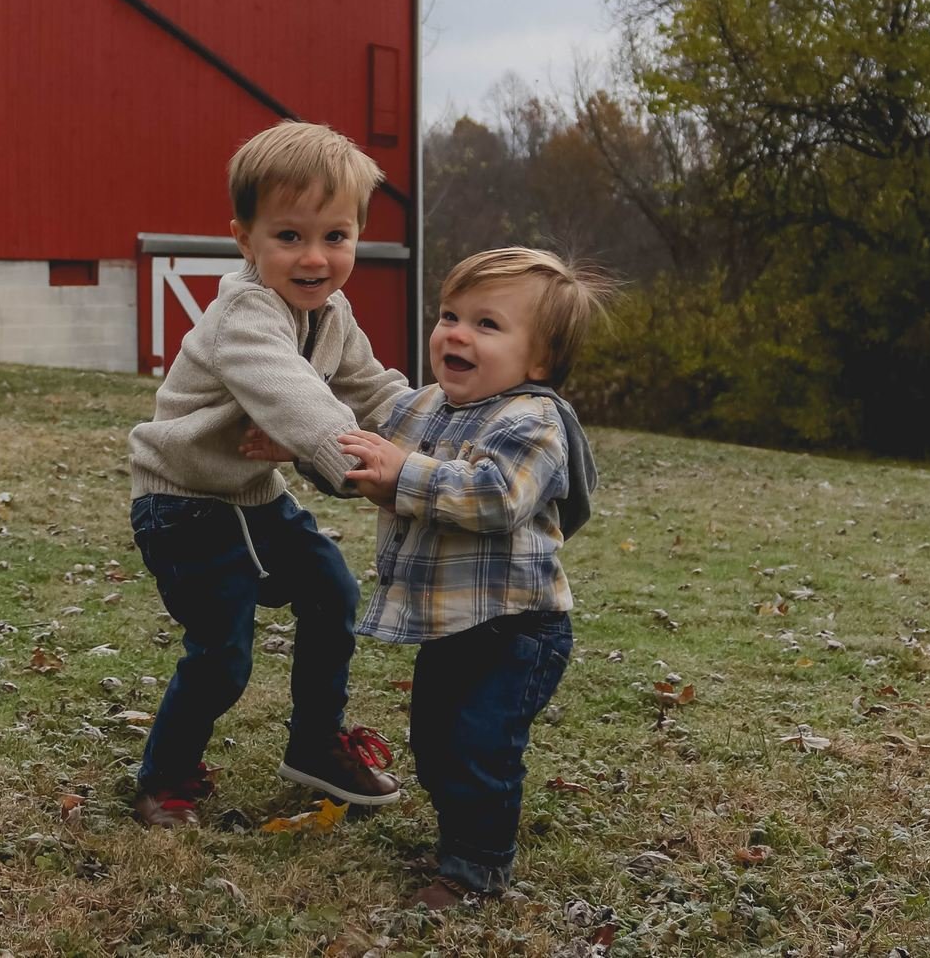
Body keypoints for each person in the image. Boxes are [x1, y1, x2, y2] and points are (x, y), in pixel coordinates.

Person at [127, 120, 409, 829]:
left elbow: (376, 390)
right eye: (289, 236)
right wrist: (364, 469)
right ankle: (164, 780)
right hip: (182, 504)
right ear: (244, 240)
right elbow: (298, 399)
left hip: (252, 497)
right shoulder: (244, 316)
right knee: (223, 652)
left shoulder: (331, 312)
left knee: (331, 590)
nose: (314, 258)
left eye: (335, 236)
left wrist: (447, 429)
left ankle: (315, 744)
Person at [336, 246, 611, 908]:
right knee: (435, 745)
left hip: (518, 630)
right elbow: (367, 455)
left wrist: (404, 471)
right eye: (449, 315)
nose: (456, 334)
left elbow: (495, 496)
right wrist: (303, 447)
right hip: (450, 624)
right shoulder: (424, 406)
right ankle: (459, 837)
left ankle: (476, 870)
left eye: (486, 324)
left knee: (480, 747)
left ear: (539, 359)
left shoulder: (534, 420)